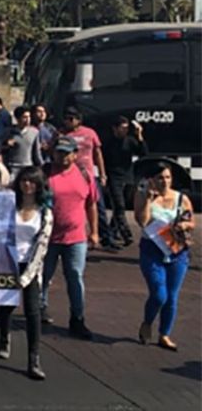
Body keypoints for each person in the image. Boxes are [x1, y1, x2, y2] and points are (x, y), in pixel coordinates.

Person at [40, 136, 98, 340]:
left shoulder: (85, 175)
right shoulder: (44, 173)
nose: (62, 156)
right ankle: (40, 308)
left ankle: (77, 319)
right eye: (59, 152)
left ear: (75, 154)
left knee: (75, 276)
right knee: (43, 276)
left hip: (76, 238)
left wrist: (95, 231)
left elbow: (91, 204)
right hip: (47, 237)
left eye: (66, 152)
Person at [133, 158, 193, 351]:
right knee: (159, 294)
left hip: (177, 250)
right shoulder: (143, 195)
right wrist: (147, 200)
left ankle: (164, 334)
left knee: (172, 296)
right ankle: (147, 322)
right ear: (151, 180)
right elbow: (142, 221)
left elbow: (190, 220)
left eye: (168, 177)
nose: (165, 182)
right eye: (160, 178)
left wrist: (185, 225)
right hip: (152, 250)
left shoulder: (180, 198)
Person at [0, 166, 52, 380]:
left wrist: (27, 276)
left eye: (32, 181)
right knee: (6, 305)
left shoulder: (45, 213)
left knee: (32, 311)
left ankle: (33, 358)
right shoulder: (9, 207)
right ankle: (4, 338)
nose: (27, 185)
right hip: (7, 262)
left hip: (30, 265)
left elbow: (42, 247)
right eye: (24, 181)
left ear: (39, 185)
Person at [61, 107, 110, 250]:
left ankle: (103, 236)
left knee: (97, 206)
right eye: (66, 118)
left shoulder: (90, 133)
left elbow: (98, 153)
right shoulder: (61, 134)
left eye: (71, 118)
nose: (68, 121)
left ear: (78, 119)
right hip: (70, 176)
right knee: (75, 208)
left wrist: (102, 173)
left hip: (88, 175)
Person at [103, 117, 147, 249]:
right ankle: (126, 235)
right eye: (122, 128)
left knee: (121, 207)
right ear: (115, 129)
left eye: (127, 128)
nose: (125, 130)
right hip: (113, 177)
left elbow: (143, 152)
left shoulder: (130, 141)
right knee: (119, 206)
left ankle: (111, 232)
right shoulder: (108, 142)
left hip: (127, 177)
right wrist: (103, 175)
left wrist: (139, 136)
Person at [2, 106, 43, 178]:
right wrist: (6, 145)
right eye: (24, 117)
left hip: (27, 168)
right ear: (17, 118)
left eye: (29, 117)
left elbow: (37, 153)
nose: (27, 120)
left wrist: (42, 167)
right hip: (11, 168)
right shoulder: (8, 132)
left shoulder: (34, 132)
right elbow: (0, 150)